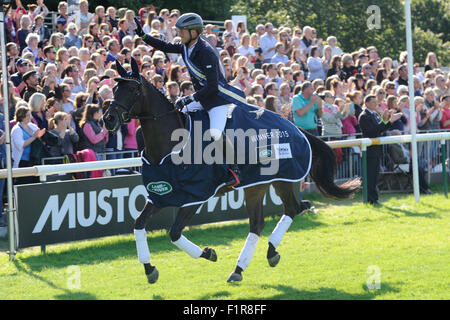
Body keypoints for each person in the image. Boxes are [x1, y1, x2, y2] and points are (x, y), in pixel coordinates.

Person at [134, 13, 241, 187]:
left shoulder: (206, 52)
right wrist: (144, 36)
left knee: (215, 133)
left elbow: (213, 87)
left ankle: (234, 169)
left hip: (217, 101)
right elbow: (165, 45)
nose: (179, 34)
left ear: (194, 32)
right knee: (175, 114)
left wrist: (190, 98)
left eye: (182, 31)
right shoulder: (186, 46)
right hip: (201, 97)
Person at [358, 95, 403, 205]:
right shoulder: (364, 116)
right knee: (370, 177)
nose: (376, 105)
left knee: (374, 176)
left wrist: (389, 122)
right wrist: (388, 121)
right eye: (373, 102)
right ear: (367, 103)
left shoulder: (374, 114)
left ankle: (374, 198)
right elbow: (374, 131)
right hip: (370, 150)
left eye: (376, 103)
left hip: (375, 149)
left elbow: (380, 129)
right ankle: (371, 199)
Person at [11, 106, 45, 184]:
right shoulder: (16, 129)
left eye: (30, 115)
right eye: (28, 115)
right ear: (21, 117)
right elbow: (21, 145)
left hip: (33, 160)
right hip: (23, 162)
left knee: (35, 183)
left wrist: (40, 136)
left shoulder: (32, 126)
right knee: (25, 183)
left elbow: (37, 136)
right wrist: (34, 137)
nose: (31, 117)